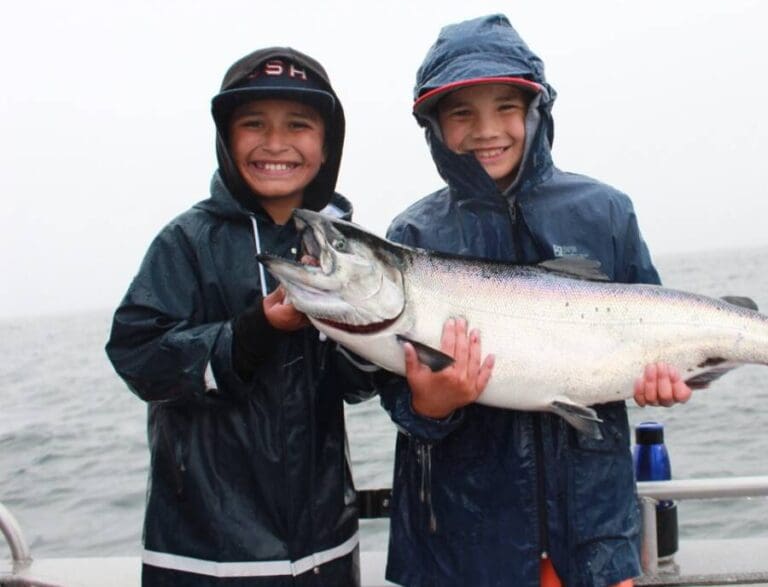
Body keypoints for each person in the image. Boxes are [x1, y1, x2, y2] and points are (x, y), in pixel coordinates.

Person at [105, 47, 493, 586]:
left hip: (326, 548)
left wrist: (383, 357)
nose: (276, 143)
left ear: (327, 142)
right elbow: (137, 356)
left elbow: (352, 385)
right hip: (203, 555)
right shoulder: (187, 242)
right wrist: (253, 332)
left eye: (299, 125)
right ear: (226, 137)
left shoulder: (343, 250)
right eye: (253, 124)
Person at [379, 14, 692, 587]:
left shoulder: (605, 211)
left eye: (505, 106)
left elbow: (656, 331)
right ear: (433, 126)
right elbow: (392, 393)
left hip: (594, 536)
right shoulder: (413, 236)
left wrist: (668, 381)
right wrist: (429, 406)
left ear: (537, 110)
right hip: (461, 543)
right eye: (461, 113)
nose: (486, 129)